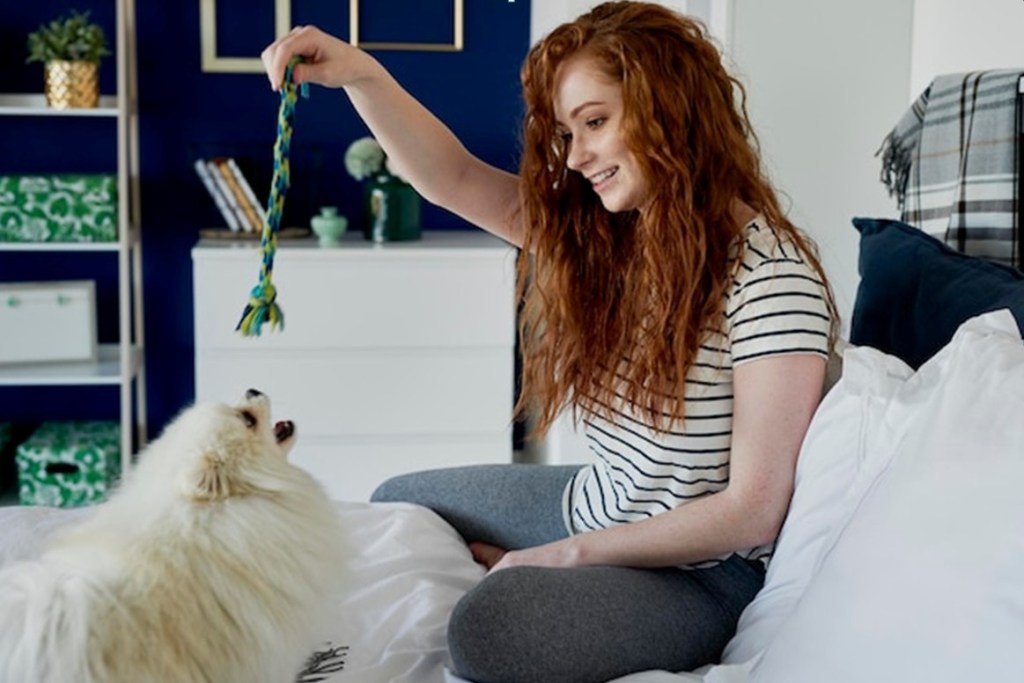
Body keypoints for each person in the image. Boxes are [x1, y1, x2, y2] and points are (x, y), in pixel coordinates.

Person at [262, 3, 837, 682]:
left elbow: (752, 510)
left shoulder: (771, 281)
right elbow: (451, 177)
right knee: (399, 497)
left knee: (490, 630)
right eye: (568, 131)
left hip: (698, 576)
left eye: (595, 122)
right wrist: (361, 75)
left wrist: (563, 555)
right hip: (596, 500)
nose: (576, 156)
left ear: (673, 110)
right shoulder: (616, 237)